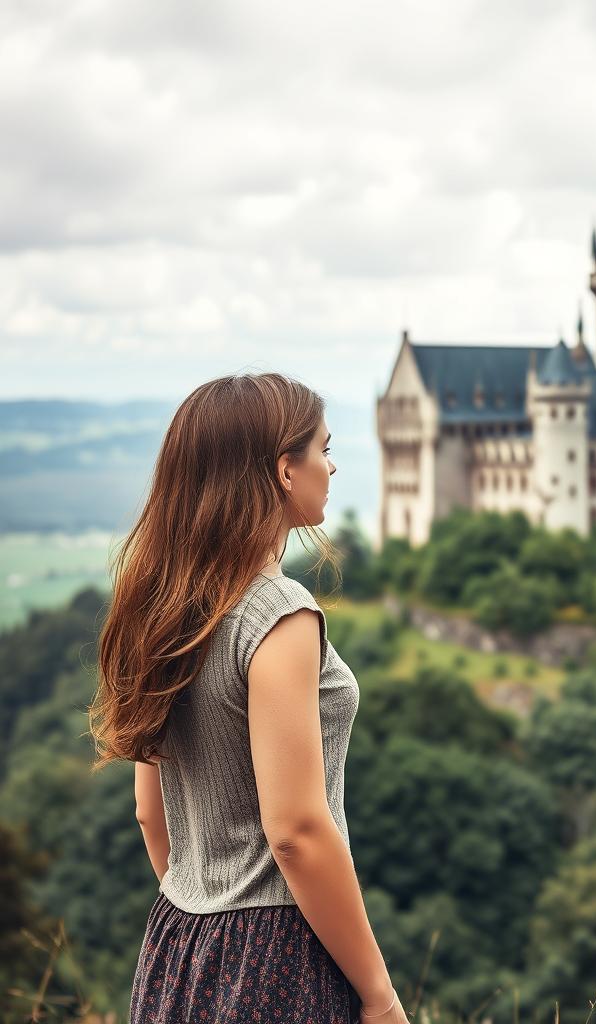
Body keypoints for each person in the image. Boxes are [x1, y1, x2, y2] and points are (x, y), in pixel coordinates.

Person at [88, 373, 410, 1024]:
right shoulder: (280, 614)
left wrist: (207, 907)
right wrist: (379, 995)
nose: (333, 463)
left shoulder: (167, 608)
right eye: (322, 447)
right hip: (280, 954)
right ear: (283, 471)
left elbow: (151, 814)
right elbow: (294, 831)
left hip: (177, 943)